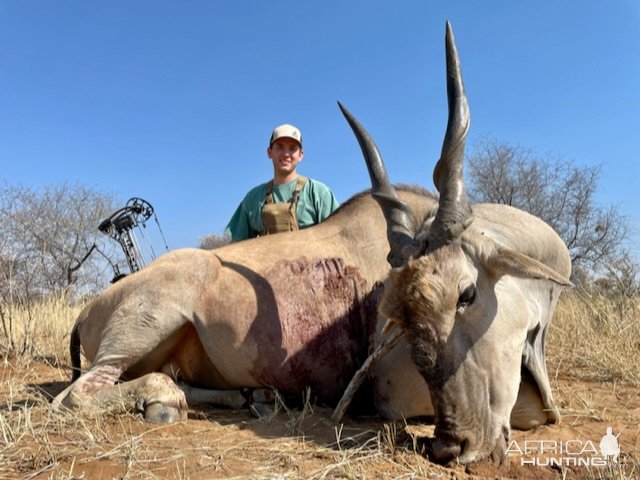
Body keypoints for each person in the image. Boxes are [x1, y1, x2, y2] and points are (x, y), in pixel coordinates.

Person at [225, 123, 339, 241]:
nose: (286, 154)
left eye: (292, 148)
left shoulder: (319, 193)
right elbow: (234, 243)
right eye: (280, 147)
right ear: (270, 152)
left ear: (300, 155)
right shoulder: (253, 198)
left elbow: (338, 238)